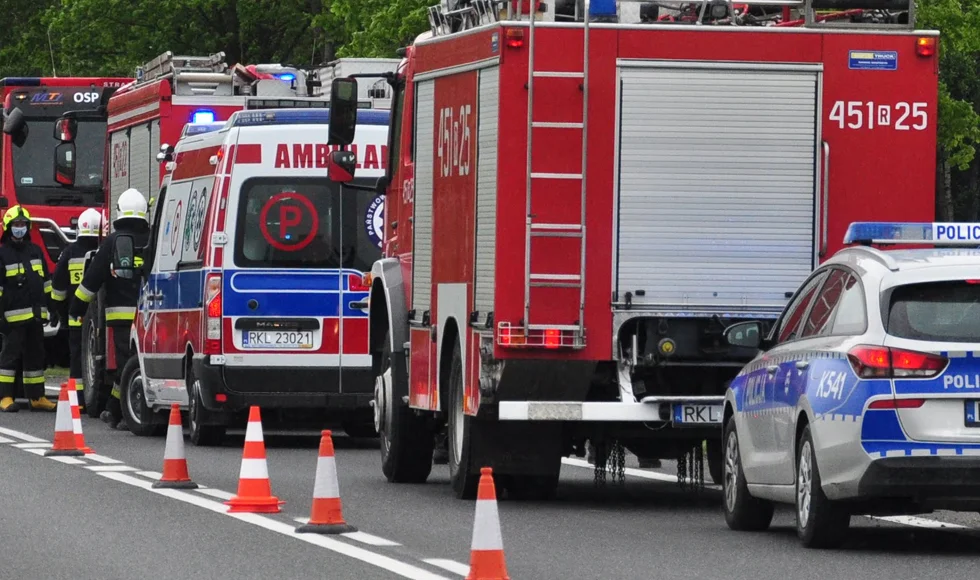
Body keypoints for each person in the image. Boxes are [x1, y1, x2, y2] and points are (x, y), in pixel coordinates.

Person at [70, 189, 150, 429]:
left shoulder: (113, 242)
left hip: (121, 318)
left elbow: (92, 280)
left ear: (119, 211)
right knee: (138, 365)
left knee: (127, 365)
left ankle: (125, 413)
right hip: (151, 316)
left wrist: (77, 307)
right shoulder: (155, 239)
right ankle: (115, 411)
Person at [0, 205, 57, 412]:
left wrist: (53, 308)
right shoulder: (2, 254)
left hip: (36, 316)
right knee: (10, 357)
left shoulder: (35, 251)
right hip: (12, 319)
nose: (20, 228)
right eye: (16, 224)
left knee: (35, 356)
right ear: (8, 227)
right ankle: (5, 396)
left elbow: (46, 283)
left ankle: (36, 397)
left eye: (23, 224)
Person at [51, 207, 103, 412]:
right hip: (100, 318)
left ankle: (77, 400)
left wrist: (61, 314)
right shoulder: (104, 250)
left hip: (76, 318)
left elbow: (57, 289)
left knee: (77, 359)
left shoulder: (69, 252)